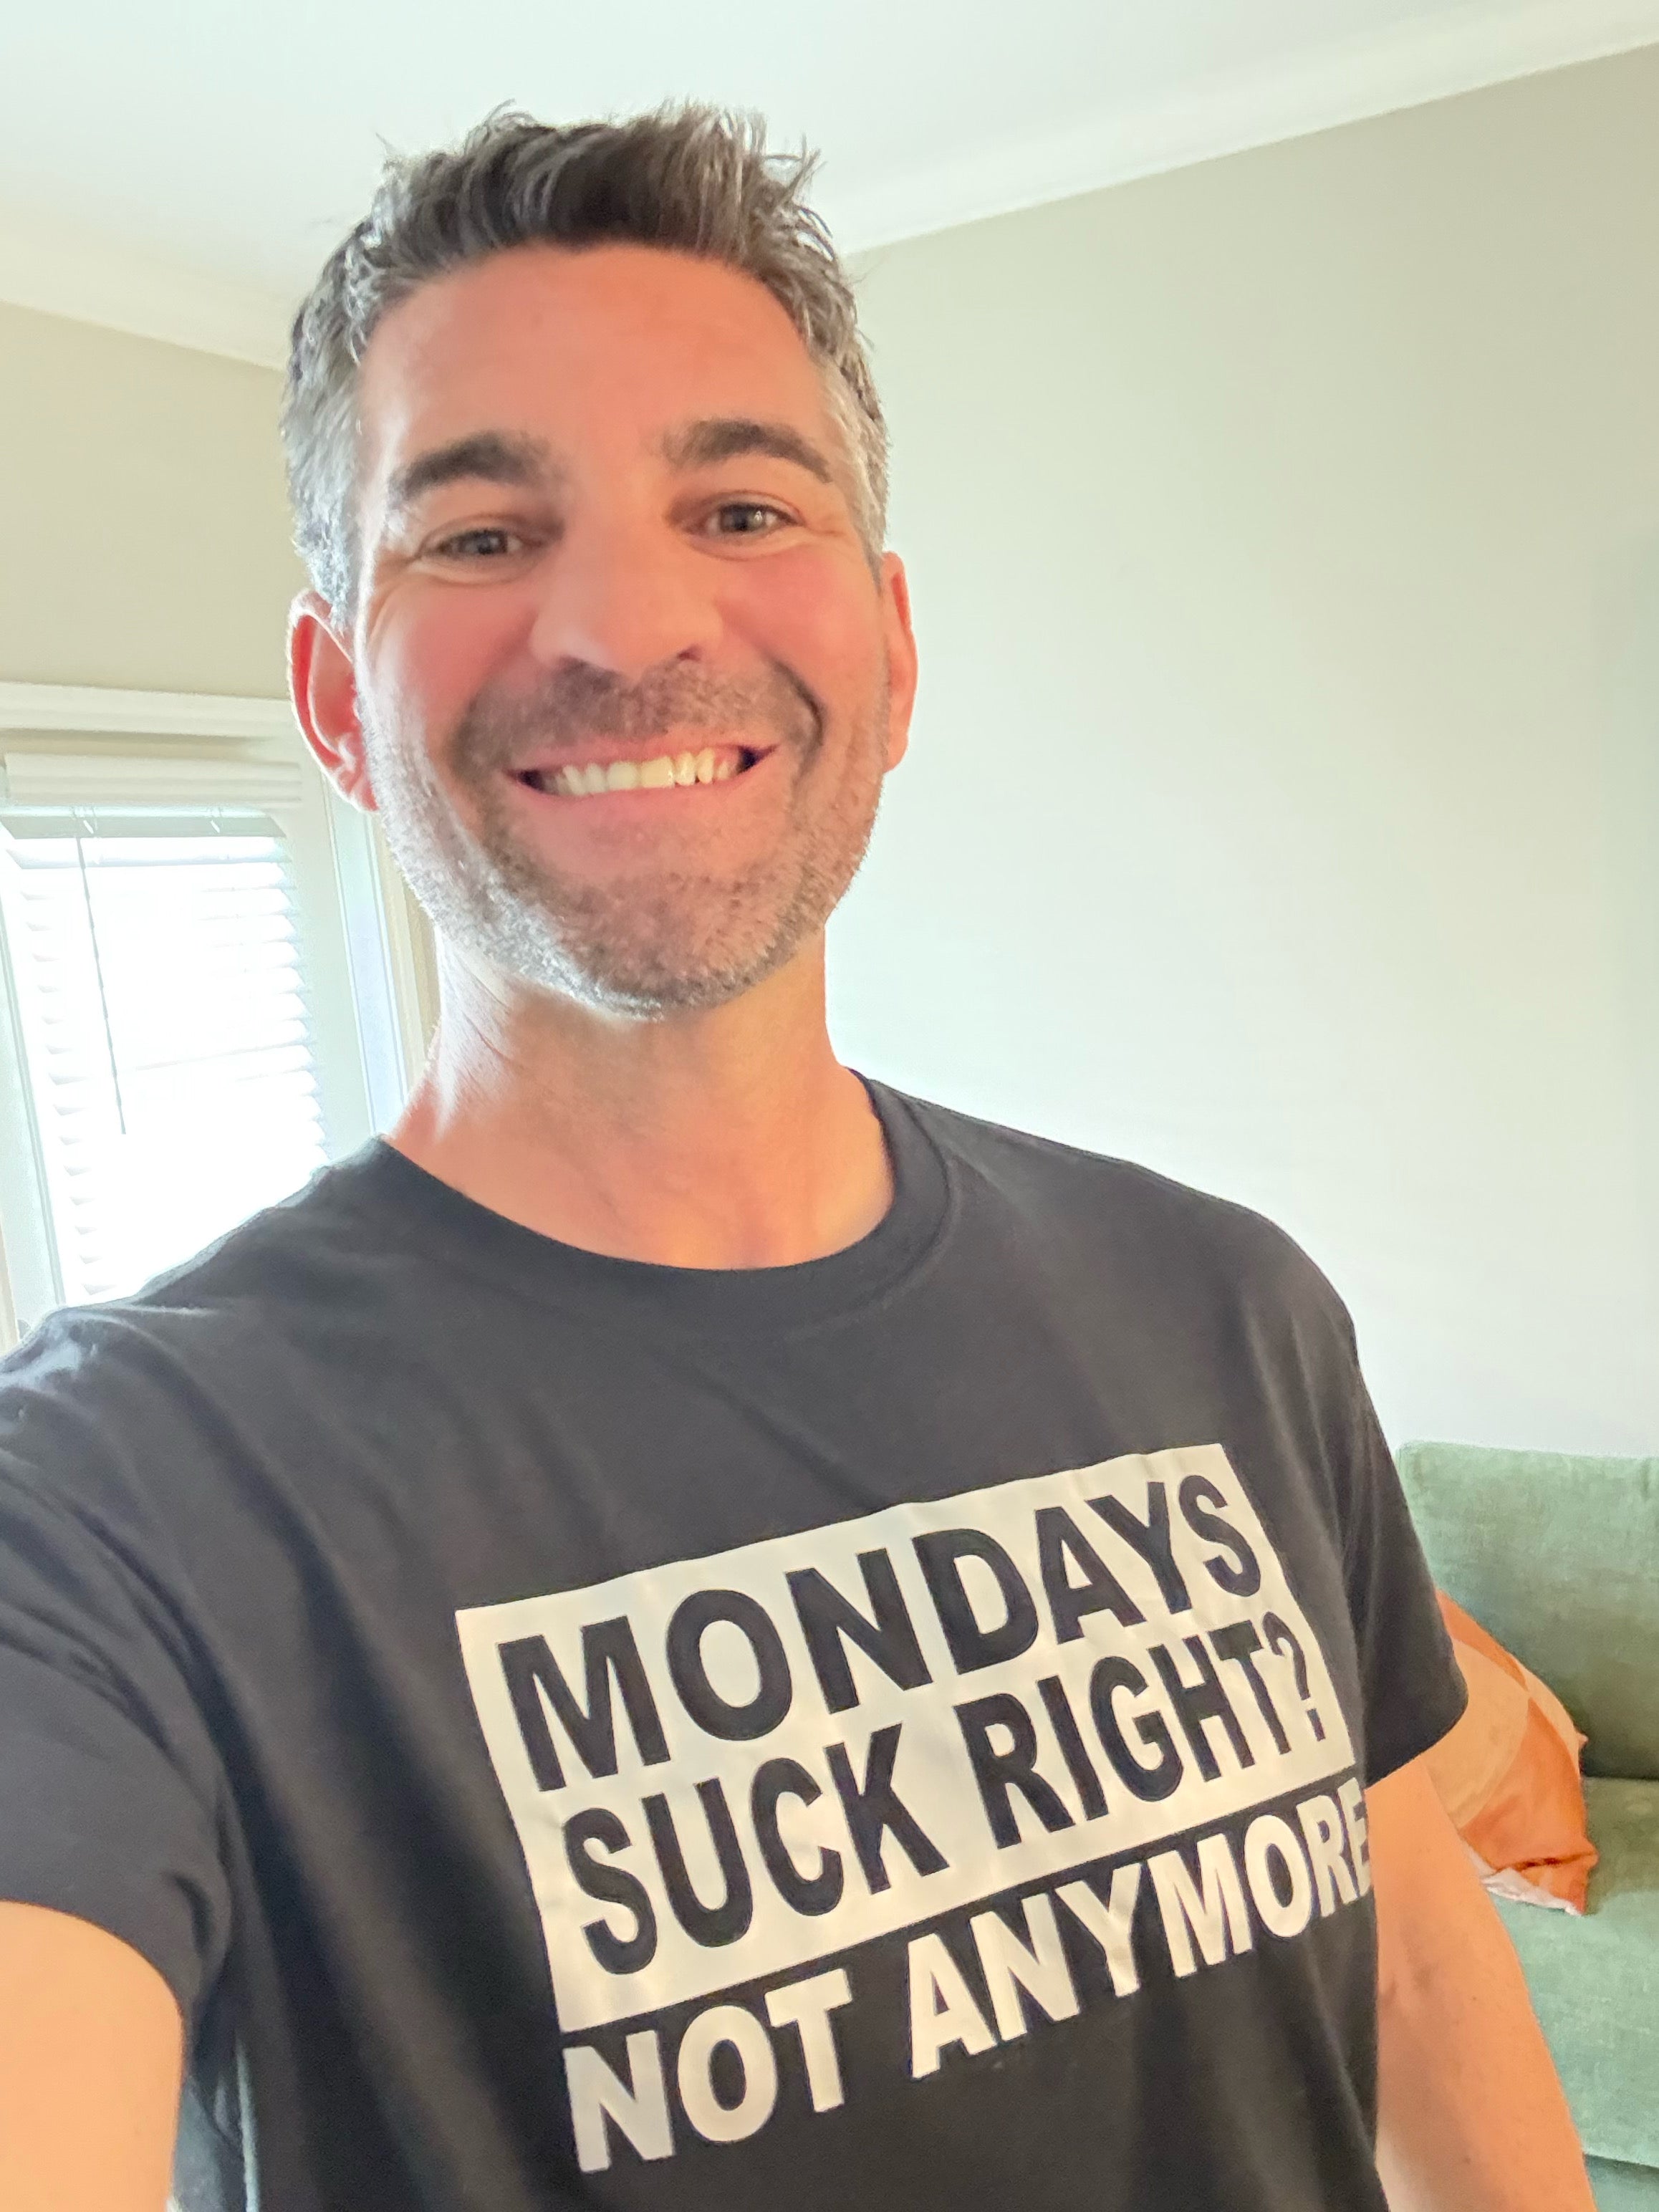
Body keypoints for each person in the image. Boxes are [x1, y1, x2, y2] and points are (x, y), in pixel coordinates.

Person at [0, 107, 1593, 2212]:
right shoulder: (111, 1503)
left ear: (891, 645)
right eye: (477, 536)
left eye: (741, 504)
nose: (622, 623)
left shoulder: (1229, 1307)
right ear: (328, 700)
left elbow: (1398, 1971)